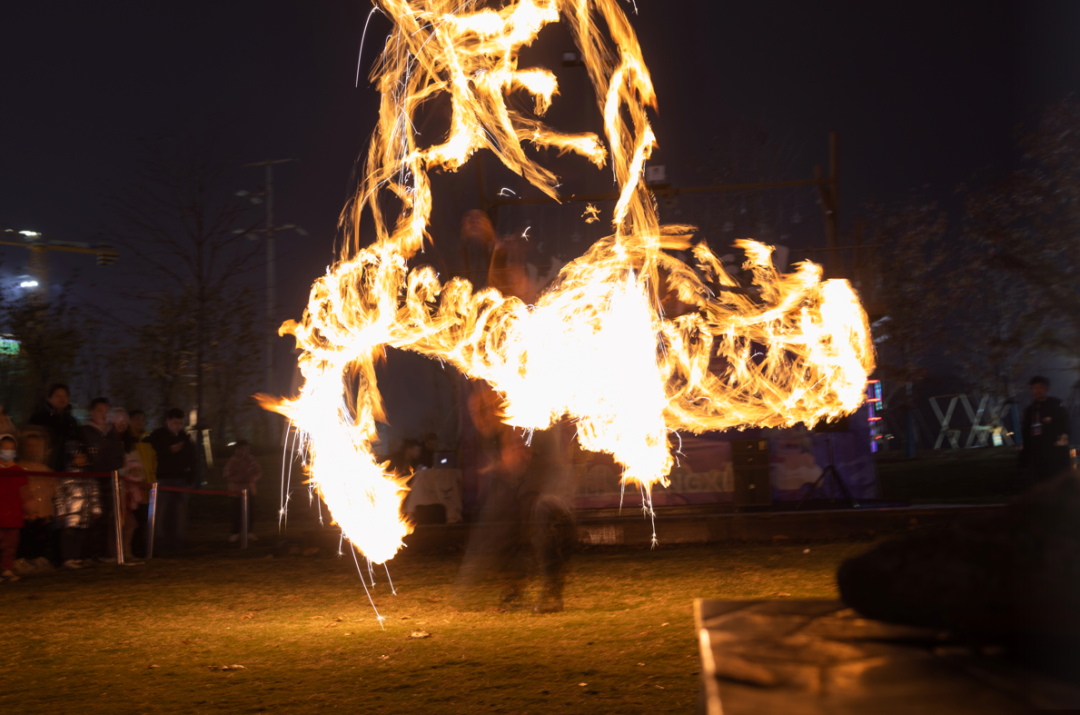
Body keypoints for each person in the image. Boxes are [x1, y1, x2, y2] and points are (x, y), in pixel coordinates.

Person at [82, 398, 125, 562]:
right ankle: (88, 552)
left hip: (109, 478)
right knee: (91, 516)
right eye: (99, 411)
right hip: (91, 479)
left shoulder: (112, 433)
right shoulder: (85, 432)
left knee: (107, 516)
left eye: (106, 411)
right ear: (92, 412)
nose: (103, 414)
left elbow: (118, 455)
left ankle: (102, 552)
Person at [148, 408, 196, 552]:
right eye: (175, 423)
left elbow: (192, 458)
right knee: (161, 512)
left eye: (180, 423)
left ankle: (177, 542)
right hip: (163, 479)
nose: (177, 426)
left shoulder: (185, 437)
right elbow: (152, 454)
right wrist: (169, 451)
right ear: (168, 420)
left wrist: (190, 476)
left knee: (180, 513)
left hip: (181, 480)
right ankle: (158, 543)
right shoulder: (158, 435)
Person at [53, 445, 100, 569]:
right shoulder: (64, 477)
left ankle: (77, 558)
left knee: (81, 536)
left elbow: (94, 494)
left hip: (84, 513)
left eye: (82, 457)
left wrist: (96, 509)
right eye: (77, 457)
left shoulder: (89, 476)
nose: (80, 460)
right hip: (70, 514)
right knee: (69, 536)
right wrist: (61, 511)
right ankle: (68, 559)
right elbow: (59, 496)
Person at [1019, 376, 1070, 486]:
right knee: (1040, 487)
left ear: (1047, 388)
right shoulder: (1030, 410)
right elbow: (1026, 433)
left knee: (1056, 485)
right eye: (1034, 388)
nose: (1037, 391)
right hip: (1037, 456)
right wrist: (1024, 455)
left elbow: (1064, 427)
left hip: (1054, 455)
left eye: (1041, 387)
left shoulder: (1056, 406)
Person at [16, 429, 55, 570]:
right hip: (26, 514)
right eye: (29, 445)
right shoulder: (18, 468)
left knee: (41, 537)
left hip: (43, 514)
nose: (33, 449)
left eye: (36, 446)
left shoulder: (45, 469)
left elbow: (53, 489)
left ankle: (39, 558)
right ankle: (23, 559)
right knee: (25, 538)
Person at [28, 383, 81, 472]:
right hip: (43, 468)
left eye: (65, 395)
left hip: (67, 470)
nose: (62, 398)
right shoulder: (38, 419)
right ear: (49, 399)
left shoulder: (71, 421)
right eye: (57, 395)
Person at [127, 410, 156, 557]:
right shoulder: (128, 439)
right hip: (132, 487)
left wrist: (151, 478)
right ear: (130, 421)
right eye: (137, 419)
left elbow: (153, 462)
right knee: (134, 520)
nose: (140, 422)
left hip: (147, 486)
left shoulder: (146, 440)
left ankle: (142, 548)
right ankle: (132, 548)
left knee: (144, 520)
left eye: (142, 419)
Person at [0, 434, 28, 582]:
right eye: (5, 448)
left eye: (11, 449)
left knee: (11, 545)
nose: (8, 451)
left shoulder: (18, 470)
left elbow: (24, 492)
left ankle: (7, 570)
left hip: (13, 515)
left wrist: (31, 509)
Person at [224, 440, 261, 543]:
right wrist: (239, 478)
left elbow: (258, 472)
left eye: (245, 449)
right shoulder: (232, 462)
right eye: (240, 449)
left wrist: (251, 478)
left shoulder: (251, 461)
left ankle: (249, 532)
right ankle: (235, 533)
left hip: (249, 491)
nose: (243, 451)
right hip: (236, 492)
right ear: (236, 450)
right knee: (236, 513)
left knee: (250, 512)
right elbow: (227, 475)